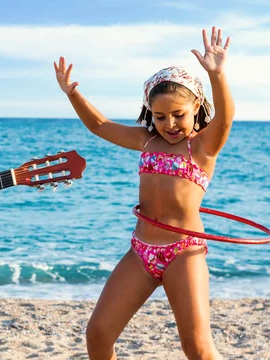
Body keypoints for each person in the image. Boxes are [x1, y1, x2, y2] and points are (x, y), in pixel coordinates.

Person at [54, 26, 233, 360]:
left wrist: (217, 75)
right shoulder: (147, 140)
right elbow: (100, 126)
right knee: (98, 333)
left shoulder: (203, 147)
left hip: (184, 251)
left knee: (197, 347)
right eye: (160, 116)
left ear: (196, 106)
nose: (170, 124)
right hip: (141, 251)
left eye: (179, 114)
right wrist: (72, 94)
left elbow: (225, 118)